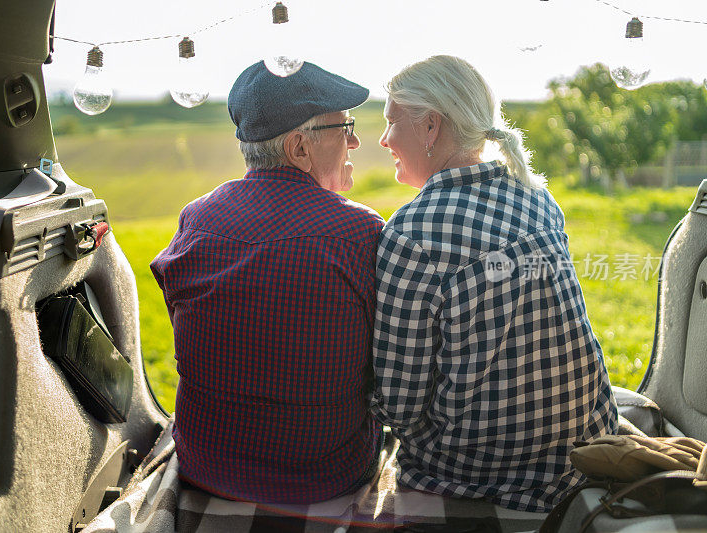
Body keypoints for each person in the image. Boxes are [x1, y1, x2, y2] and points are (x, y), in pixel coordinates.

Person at [369, 55, 619, 512]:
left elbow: (398, 406)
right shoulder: (538, 197)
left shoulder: (411, 233)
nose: (384, 139)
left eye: (391, 123)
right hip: (585, 444)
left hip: (482, 470)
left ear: (430, 127)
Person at [150, 61, 384, 504]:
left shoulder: (196, 217)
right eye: (345, 128)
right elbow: (386, 366)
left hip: (206, 465)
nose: (354, 141)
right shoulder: (358, 233)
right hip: (322, 478)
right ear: (299, 147)